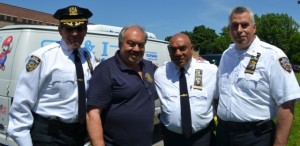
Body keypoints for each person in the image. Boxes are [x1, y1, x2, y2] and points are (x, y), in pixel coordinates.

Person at [7, 5, 97, 146]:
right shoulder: (42, 57)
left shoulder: (89, 57)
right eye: (69, 28)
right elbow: (21, 102)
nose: (74, 33)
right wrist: (24, 140)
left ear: (85, 31)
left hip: (78, 135)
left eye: (79, 28)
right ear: (60, 30)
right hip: (48, 136)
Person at [216, 6, 300, 146]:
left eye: (244, 25)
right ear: (229, 29)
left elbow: (287, 103)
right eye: (234, 26)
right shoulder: (226, 55)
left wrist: (279, 143)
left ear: (254, 28)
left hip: (256, 137)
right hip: (224, 134)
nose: (239, 30)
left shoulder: (272, 55)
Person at [86, 24, 158, 146]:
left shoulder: (150, 67)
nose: (136, 49)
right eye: (131, 43)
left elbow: (172, 73)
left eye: (141, 45)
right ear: (120, 43)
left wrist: (192, 61)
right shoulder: (105, 70)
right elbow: (93, 114)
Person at [154, 33, 218, 146]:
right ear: (169, 50)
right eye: (173, 49)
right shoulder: (160, 74)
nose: (178, 53)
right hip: (172, 139)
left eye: (183, 48)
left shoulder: (210, 71)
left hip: (202, 138)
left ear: (191, 49)